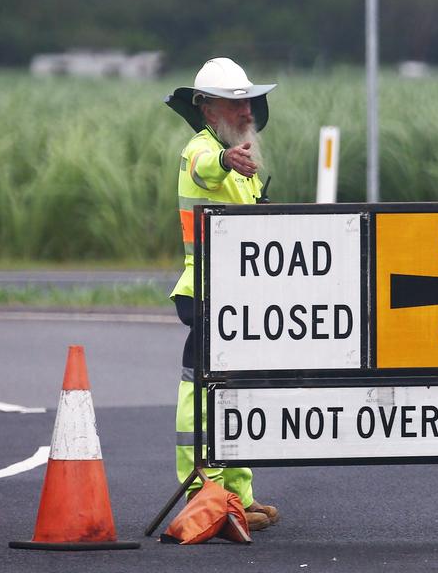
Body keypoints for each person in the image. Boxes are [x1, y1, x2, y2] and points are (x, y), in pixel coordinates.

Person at [165, 57, 280, 531]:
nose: (247, 112)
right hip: (208, 292)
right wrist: (224, 160)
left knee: (239, 393)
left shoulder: (243, 157)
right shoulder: (203, 151)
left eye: (248, 102)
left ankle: (237, 497)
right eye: (236, 104)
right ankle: (204, 494)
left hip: (241, 295)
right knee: (205, 391)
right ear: (209, 110)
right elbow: (204, 166)